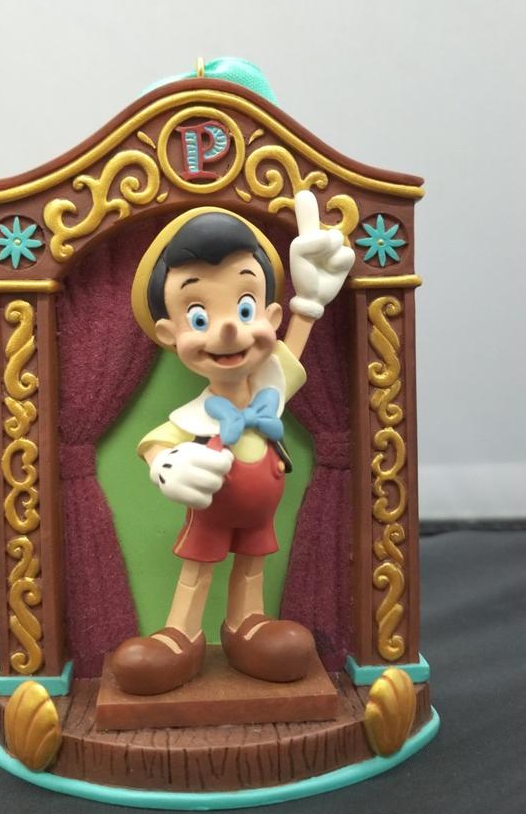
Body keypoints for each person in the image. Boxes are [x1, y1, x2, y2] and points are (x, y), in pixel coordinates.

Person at [112, 190, 354, 695]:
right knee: (197, 569)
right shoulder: (196, 414)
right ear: (168, 332)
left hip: (258, 514)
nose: (227, 329)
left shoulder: (269, 391)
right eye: (199, 317)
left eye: (245, 308)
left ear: (270, 315)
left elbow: (293, 351)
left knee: (252, 566)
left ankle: (248, 625)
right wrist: (167, 465)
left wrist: (310, 303)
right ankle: (181, 634)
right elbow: (156, 444)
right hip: (211, 512)